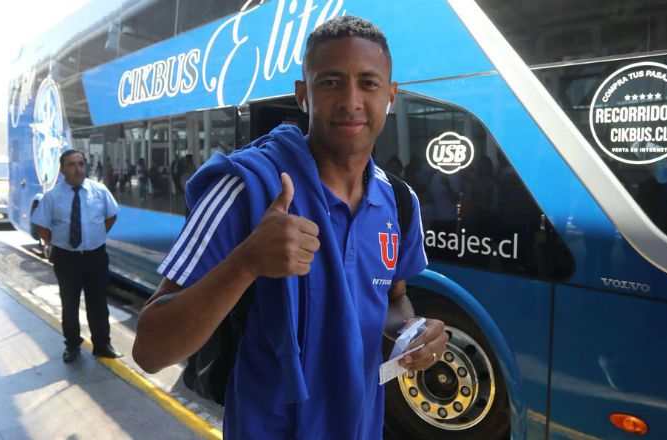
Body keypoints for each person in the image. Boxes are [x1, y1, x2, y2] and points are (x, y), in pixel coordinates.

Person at [132, 16, 448, 439]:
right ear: (304, 95)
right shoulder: (246, 189)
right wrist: (247, 261)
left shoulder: (400, 203)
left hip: (360, 427)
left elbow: (394, 302)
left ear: (391, 96)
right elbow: (151, 349)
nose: (352, 101)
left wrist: (413, 334)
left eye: (369, 83)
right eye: (331, 82)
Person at [31, 150, 122, 363]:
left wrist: (96, 236)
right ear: (62, 169)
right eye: (72, 165)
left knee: (98, 303)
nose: (77, 169)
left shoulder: (99, 191)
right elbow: (40, 224)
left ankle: (102, 345)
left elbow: (111, 215)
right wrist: (55, 242)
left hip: (95, 256)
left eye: (81, 164)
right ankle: (72, 345)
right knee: (69, 303)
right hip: (66, 259)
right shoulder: (52, 197)